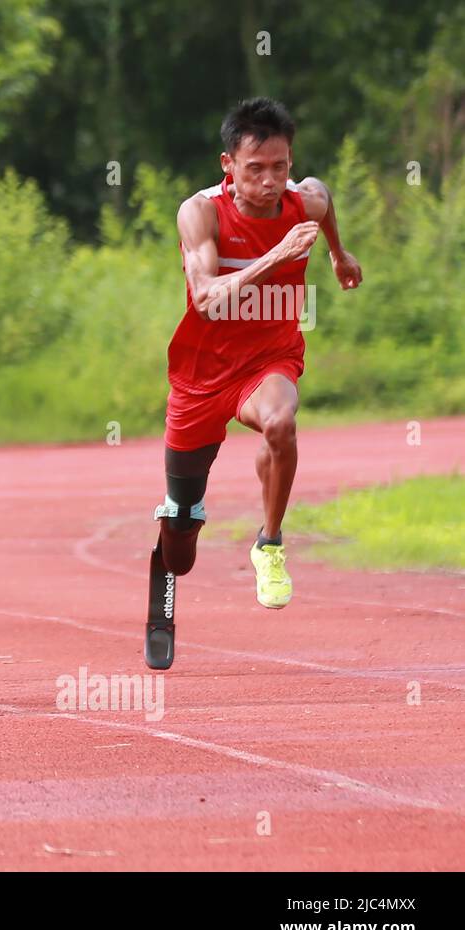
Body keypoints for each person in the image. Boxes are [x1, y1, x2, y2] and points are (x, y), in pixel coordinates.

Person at [157, 97, 363, 609]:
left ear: (291, 161)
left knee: (280, 424)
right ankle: (181, 518)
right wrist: (276, 256)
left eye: (280, 167)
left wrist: (339, 254)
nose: (270, 180)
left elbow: (323, 195)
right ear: (228, 165)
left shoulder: (303, 201)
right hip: (201, 375)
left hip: (270, 358)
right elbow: (205, 298)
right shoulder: (200, 212)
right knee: (180, 542)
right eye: (255, 169)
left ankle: (269, 542)